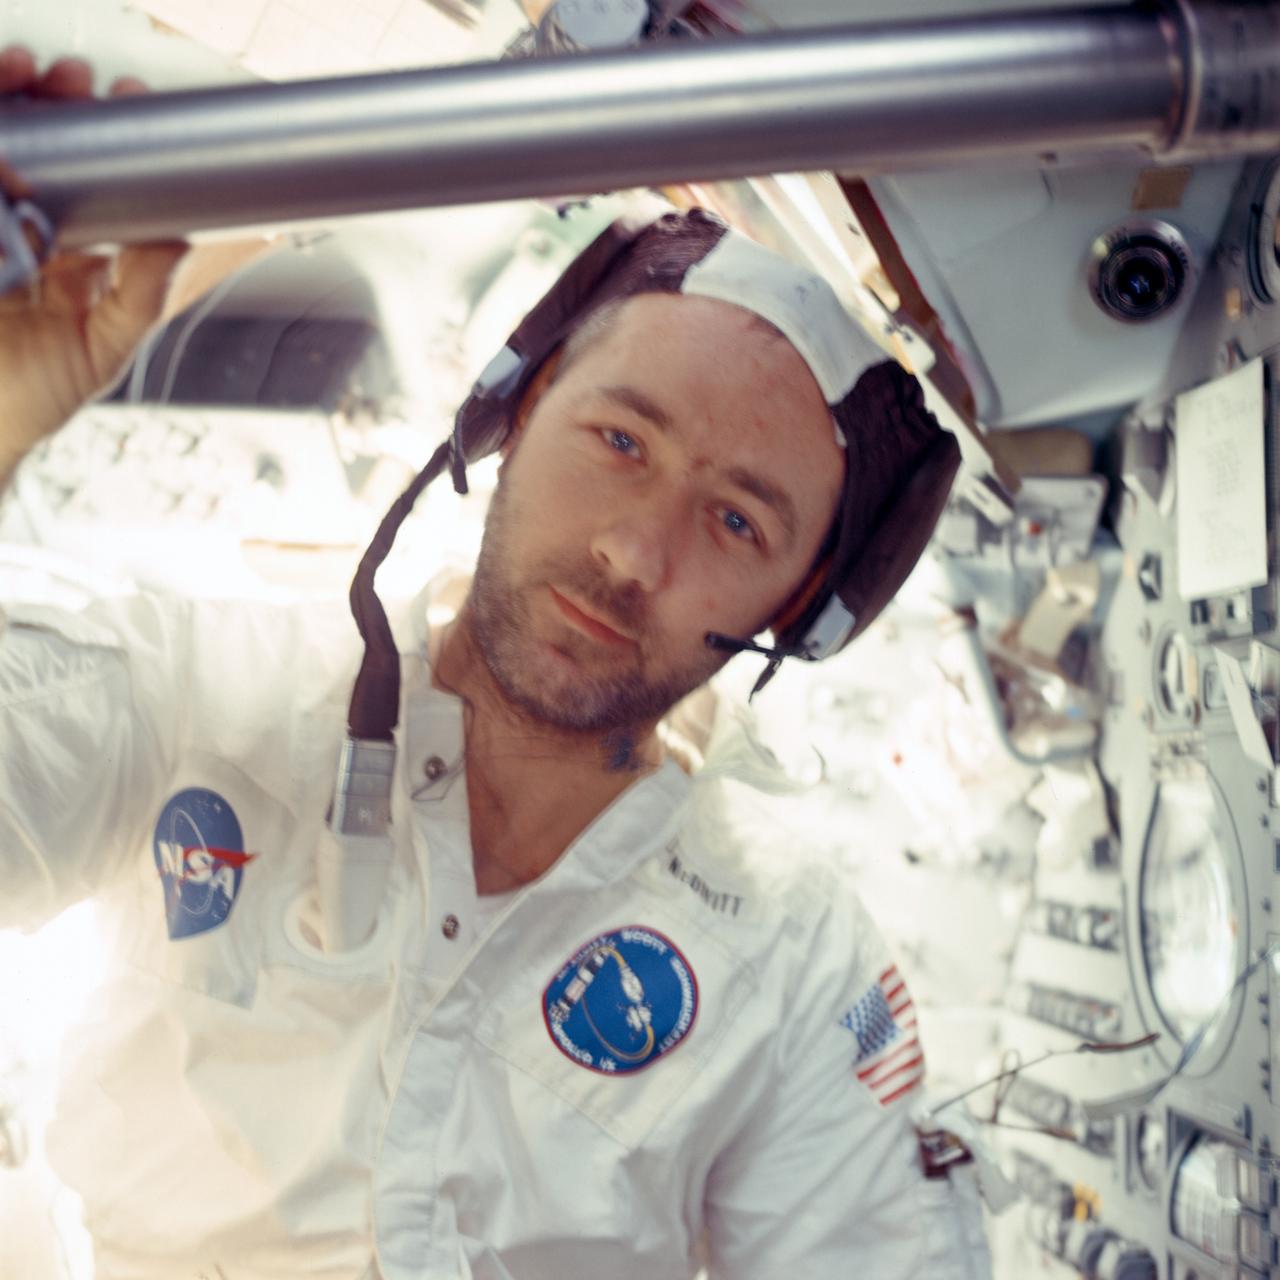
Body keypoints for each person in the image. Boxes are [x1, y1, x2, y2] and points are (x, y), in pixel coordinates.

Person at [0, 51, 991, 1280]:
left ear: (800, 606)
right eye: (619, 438)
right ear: (512, 414)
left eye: (737, 521)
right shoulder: (200, 692)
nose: (633, 549)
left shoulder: (791, 957)